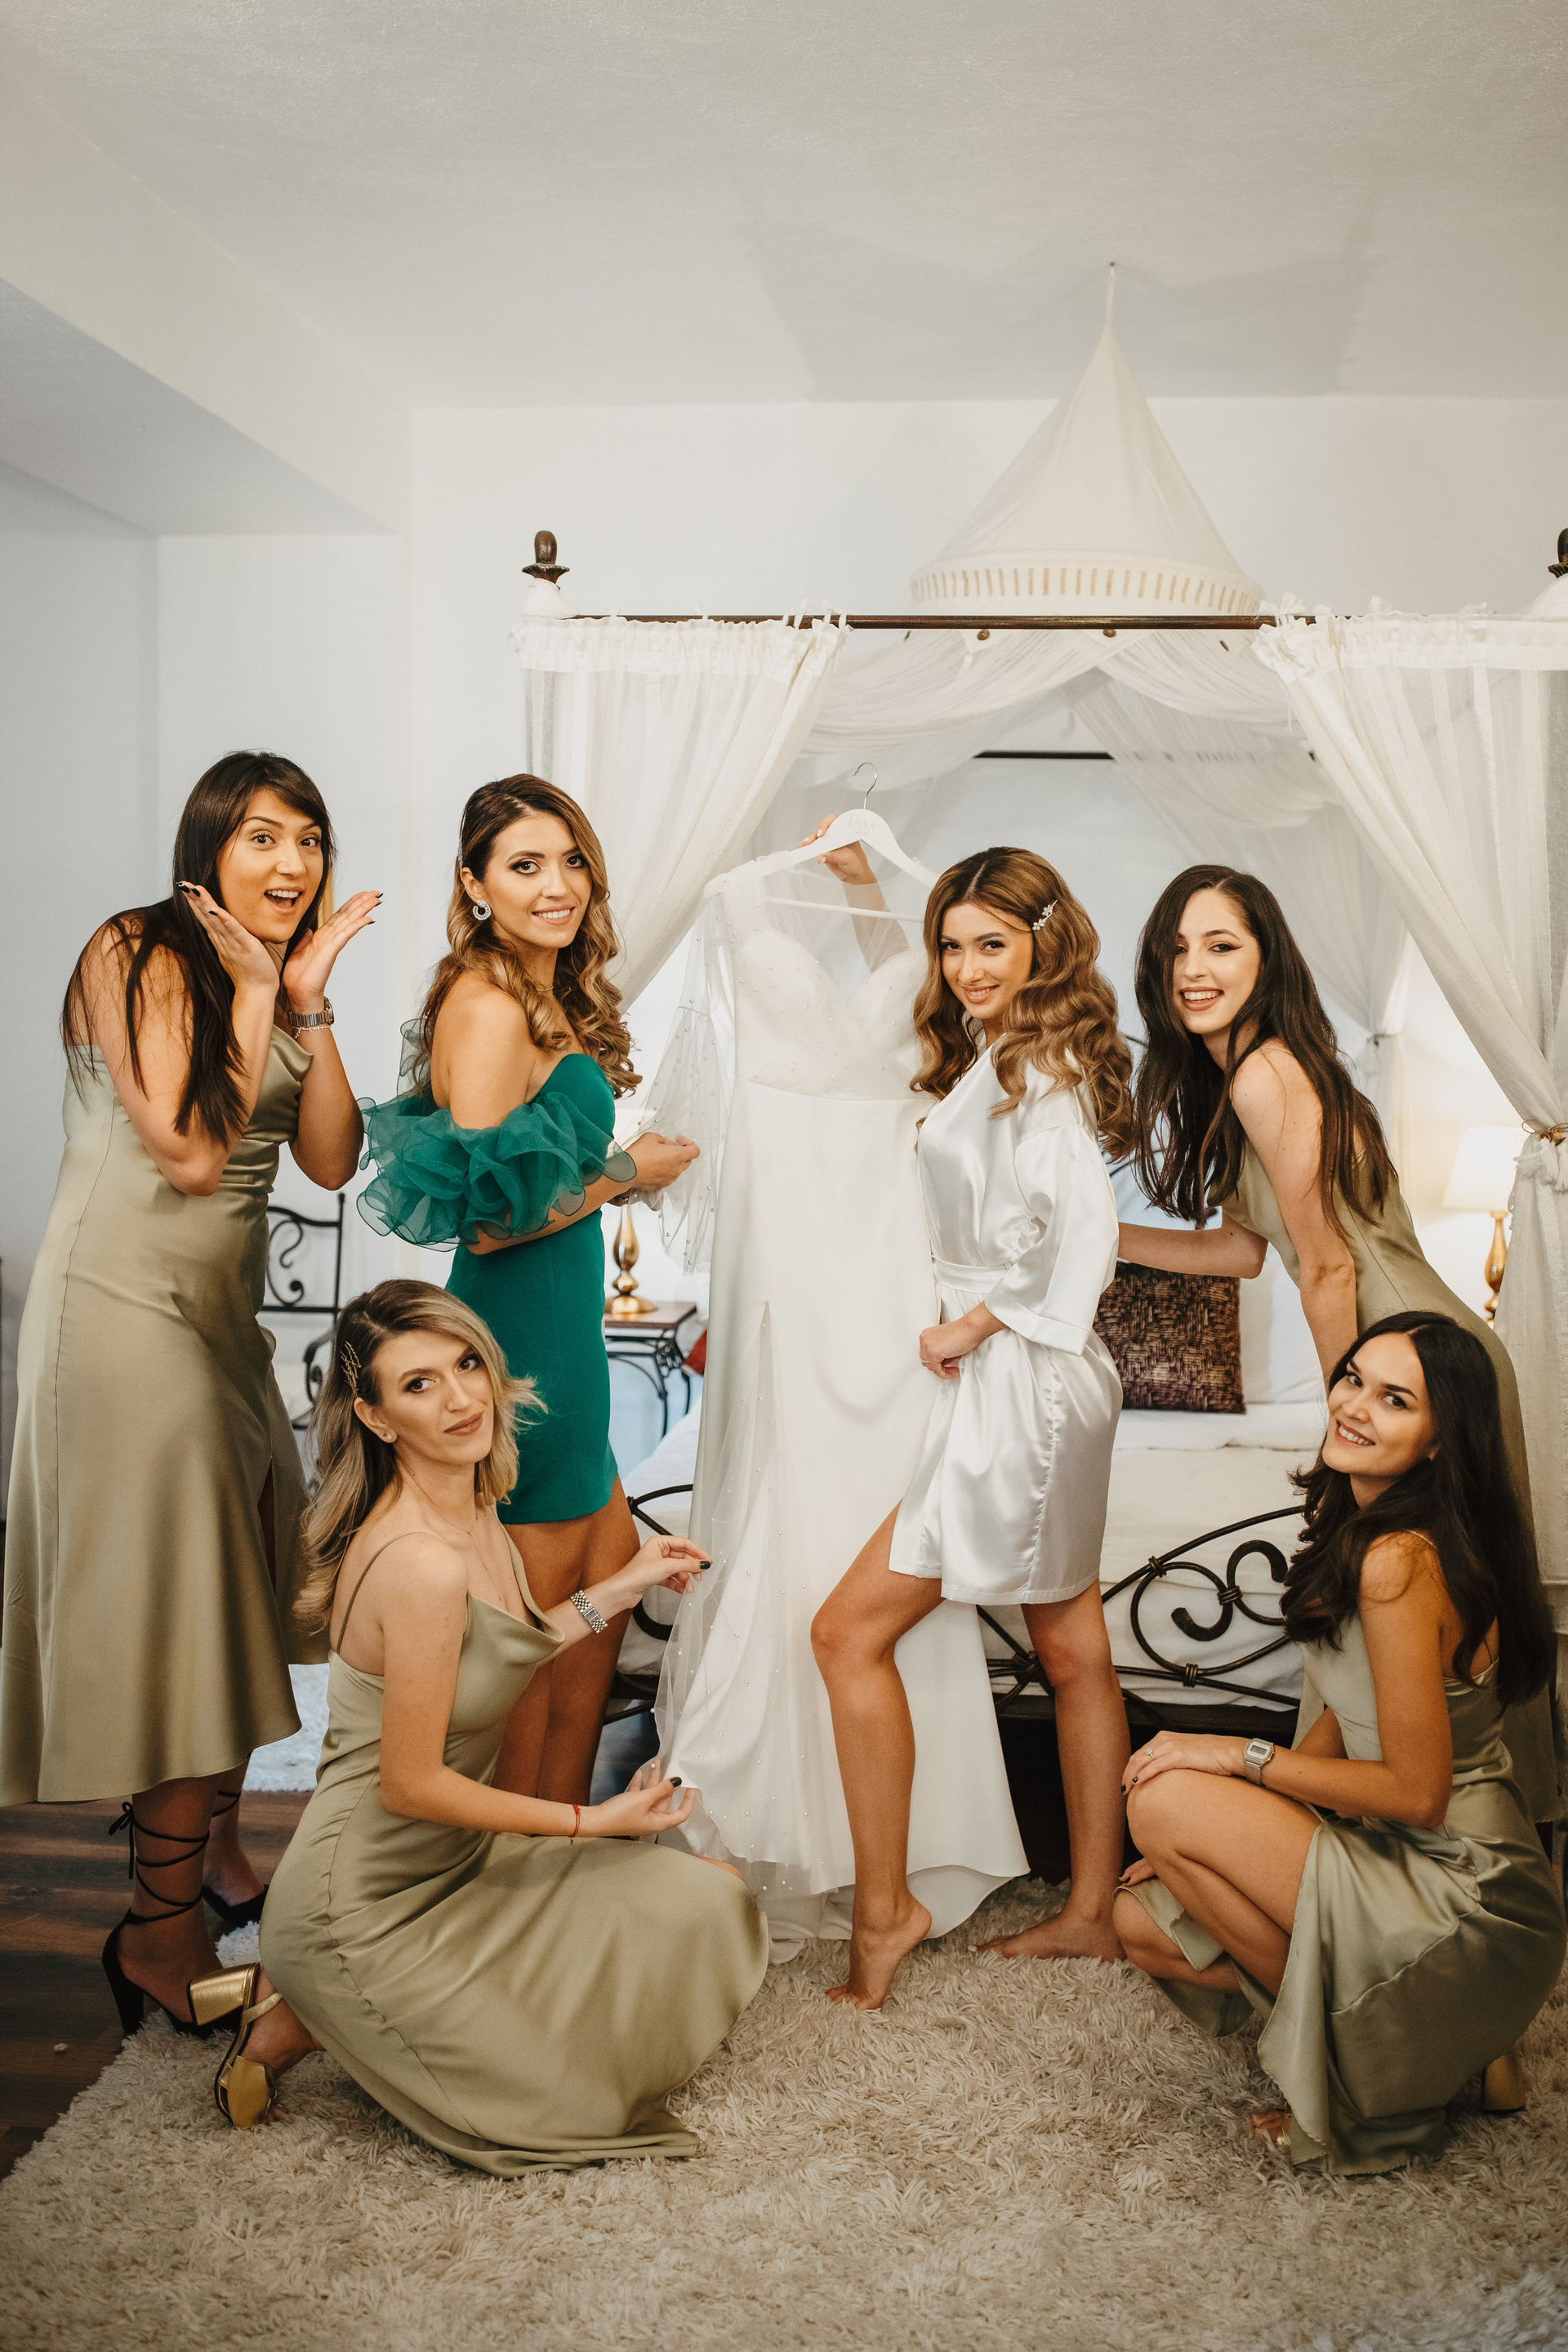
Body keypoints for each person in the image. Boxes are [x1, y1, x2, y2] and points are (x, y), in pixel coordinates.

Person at [202, 1281, 768, 2167]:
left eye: (466, 1364)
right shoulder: (419, 1562)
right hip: (361, 1904)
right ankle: (301, 2010)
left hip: (461, 1863)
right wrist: (594, 1822)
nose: (461, 1397)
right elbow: (411, 1786)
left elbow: (502, 1652)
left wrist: (623, 1585)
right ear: (376, 1418)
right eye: (418, 1384)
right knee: (565, 2103)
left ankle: (298, 2017)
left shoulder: (473, 1506)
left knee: (713, 1896)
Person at [0, 751, 377, 2038]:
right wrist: (262, 990)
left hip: (218, 1322)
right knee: (188, 1605)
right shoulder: (138, 950)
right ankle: (154, 1936)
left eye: (309, 839)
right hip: (119, 1310)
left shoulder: (273, 979)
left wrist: (308, 1004)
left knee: (245, 1579)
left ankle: (212, 1858)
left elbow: (330, 1159)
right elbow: (191, 1154)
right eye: (262, 835)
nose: (292, 862)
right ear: (207, 845)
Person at [1116, 863, 1557, 1825]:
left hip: (1411, 1356)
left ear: (1266, 958)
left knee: (1411, 1589)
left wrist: (1345, 1411)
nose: (1194, 968)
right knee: (1433, 1596)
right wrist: (1098, 1234)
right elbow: (1243, 1253)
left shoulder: (1266, 1073)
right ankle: (1426, 1835)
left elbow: (1325, 1268)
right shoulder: (1247, 1077)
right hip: (1419, 1354)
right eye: (1177, 949)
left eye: (1221, 945)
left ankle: (1462, 1848)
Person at [1116, 1312, 1564, 2176]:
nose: (1354, 1406)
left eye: (1395, 1400)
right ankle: (1445, 2041)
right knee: (1141, 1924)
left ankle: (1362, 2075)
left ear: (1441, 1439)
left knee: (1161, 1797)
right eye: (1353, 1378)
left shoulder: (1400, 1562)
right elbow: (1348, 1719)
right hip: (1410, 1857)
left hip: (1466, 1887)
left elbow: (1418, 1796)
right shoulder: (1374, 1533)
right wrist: (1208, 1838)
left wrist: (1232, 1761)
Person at [810, 847, 1135, 2007]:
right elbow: (904, 993)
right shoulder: (995, 1052)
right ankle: (1089, 1912)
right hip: (1023, 1376)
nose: (964, 967)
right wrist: (864, 894)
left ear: (1047, 942)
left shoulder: (1043, 1067)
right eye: (952, 945)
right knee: (1075, 1650)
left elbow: (1081, 1234)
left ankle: (889, 1914)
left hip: (1023, 1378)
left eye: (991, 943)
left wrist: (975, 1321)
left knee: (846, 1633)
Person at [357, 776, 697, 1806]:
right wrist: (626, 1171)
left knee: (598, 1608)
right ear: (475, 884)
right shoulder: (487, 1003)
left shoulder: (547, 995)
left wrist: (622, 1175)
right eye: (525, 865)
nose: (558, 885)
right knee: (535, 1648)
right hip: (513, 1343)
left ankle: (569, 1853)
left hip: (566, 1337)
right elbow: (489, 1220)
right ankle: (515, 1865)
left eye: (572, 860)